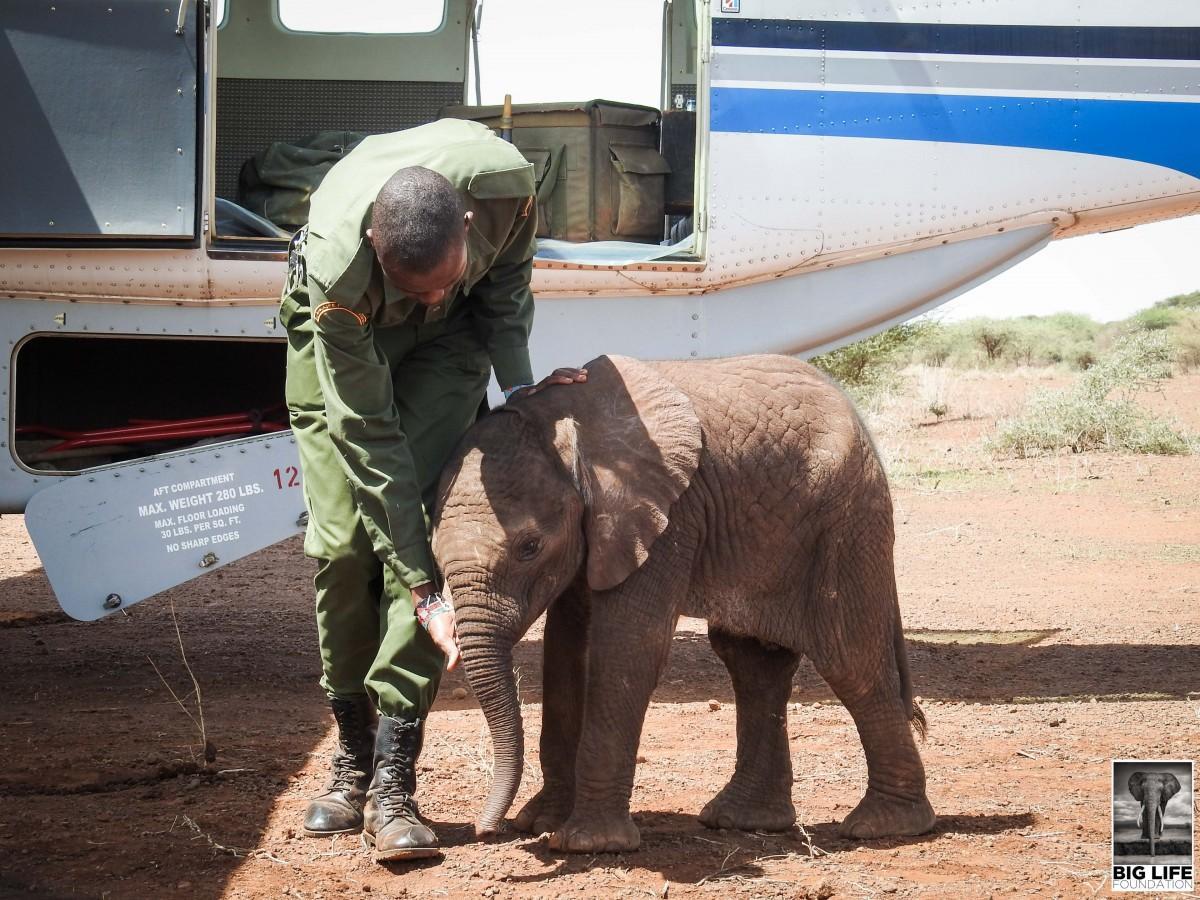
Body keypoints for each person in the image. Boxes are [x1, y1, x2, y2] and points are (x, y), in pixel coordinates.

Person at [280, 118, 586, 863]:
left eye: (447, 279)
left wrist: (518, 388)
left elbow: (506, 286)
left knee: (424, 518)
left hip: (452, 347)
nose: (433, 295)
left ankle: (392, 779)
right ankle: (350, 756)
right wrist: (423, 586)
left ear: (468, 226)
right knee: (346, 545)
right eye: (418, 287)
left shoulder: (508, 187)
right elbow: (368, 436)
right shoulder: (339, 279)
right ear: (380, 256)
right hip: (349, 346)